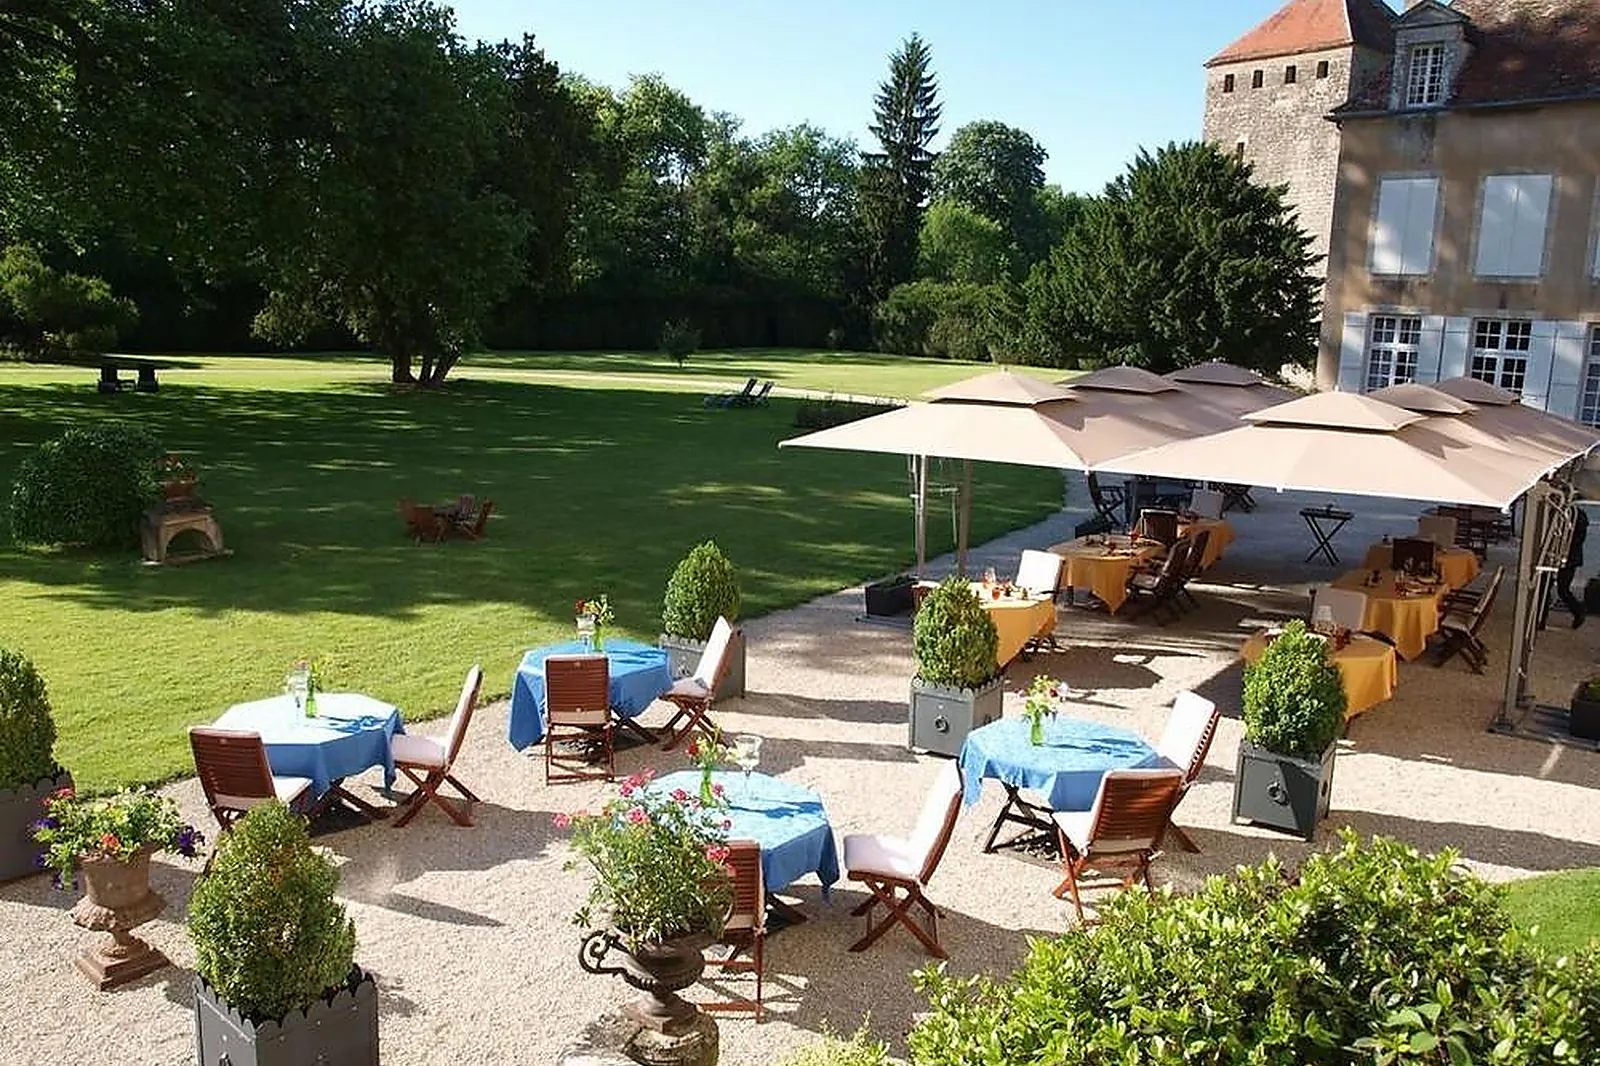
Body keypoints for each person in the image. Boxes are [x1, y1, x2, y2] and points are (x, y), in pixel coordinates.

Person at [1544, 506, 1589, 629]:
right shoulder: (1577, 514)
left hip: (1566, 557)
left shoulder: (1572, 514)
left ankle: (1578, 611)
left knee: (1557, 588)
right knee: (1559, 589)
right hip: (1569, 557)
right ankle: (1577, 611)